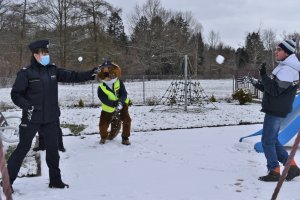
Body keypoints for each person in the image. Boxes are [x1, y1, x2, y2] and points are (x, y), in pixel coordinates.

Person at [7, 39, 98, 191]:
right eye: (43, 53)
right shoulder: (26, 73)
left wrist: (91, 73)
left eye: (47, 53)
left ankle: (55, 181)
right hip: (31, 118)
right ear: (35, 54)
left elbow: (72, 76)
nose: (46, 55)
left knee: (53, 151)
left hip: (50, 118)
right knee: (22, 148)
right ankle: (7, 182)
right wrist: (27, 106)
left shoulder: (52, 70)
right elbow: (16, 95)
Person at [249, 39, 300, 182]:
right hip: (275, 107)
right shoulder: (286, 67)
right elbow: (272, 89)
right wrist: (258, 83)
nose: (275, 52)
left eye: (279, 49)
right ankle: (292, 167)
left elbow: (275, 91)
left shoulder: (288, 69)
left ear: (287, 52)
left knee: (267, 141)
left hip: (276, 109)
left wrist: (264, 75)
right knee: (272, 140)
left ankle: (274, 171)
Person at [97, 60, 132, 145]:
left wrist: (120, 103)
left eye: (109, 73)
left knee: (127, 120)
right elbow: (103, 98)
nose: (107, 76)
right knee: (103, 125)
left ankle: (125, 138)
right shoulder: (101, 87)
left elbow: (124, 94)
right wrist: (114, 104)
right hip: (108, 108)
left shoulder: (119, 82)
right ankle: (103, 137)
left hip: (122, 105)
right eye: (105, 74)